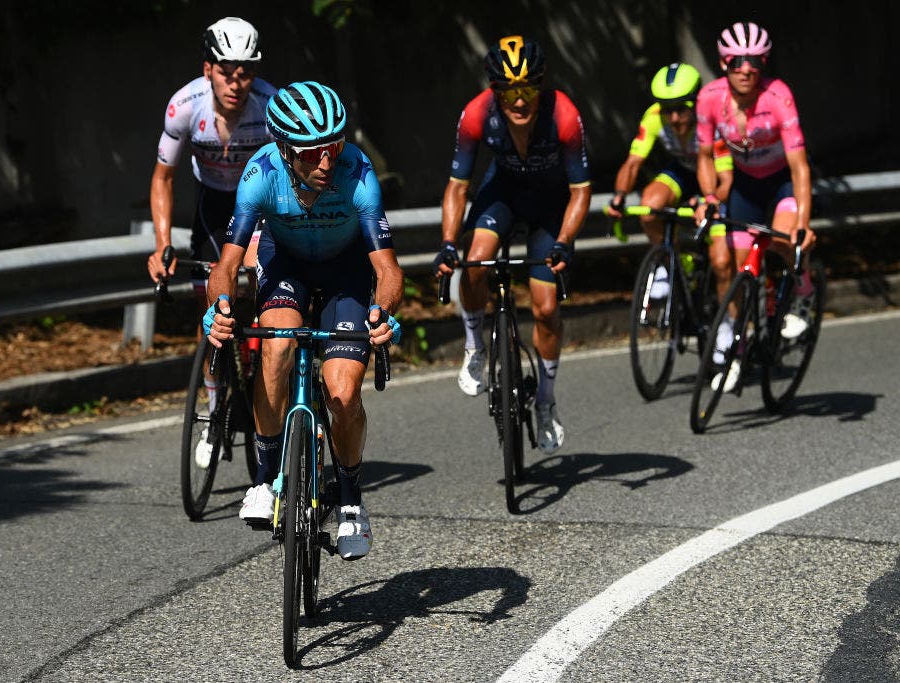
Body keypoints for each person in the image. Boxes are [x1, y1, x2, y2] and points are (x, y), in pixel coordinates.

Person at [203, 81, 404, 561]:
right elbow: (226, 267)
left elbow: (388, 270)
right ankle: (265, 479)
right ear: (285, 150)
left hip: (346, 272)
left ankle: (352, 500)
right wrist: (219, 308)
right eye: (313, 153)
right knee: (276, 348)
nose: (327, 161)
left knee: (342, 392)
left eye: (333, 145)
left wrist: (384, 311)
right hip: (286, 265)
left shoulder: (357, 172)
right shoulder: (260, 175)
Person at [434, 35, 591, 455]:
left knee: (545, 308)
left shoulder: (564, 115)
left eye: (527, 90)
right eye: (508, 92)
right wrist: (448, 242)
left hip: (550, 206)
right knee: (475, 260)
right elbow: (457, 185)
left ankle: (545, 400)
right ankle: (474, 345)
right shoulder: (476, 115)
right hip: (502, 194)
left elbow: (581, 191)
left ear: (540, 85)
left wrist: (563, 243)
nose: (519, 102)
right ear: (495, 91)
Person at [145, 17, 275, 466]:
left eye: (245, 72)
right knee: (212, 310)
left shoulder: (270, 107)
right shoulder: (184, 107)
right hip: (213, 206)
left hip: (260, 202)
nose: (236, 82)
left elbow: (292, 181)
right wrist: (163, 243)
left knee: (264, 280)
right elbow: (163, 178)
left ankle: (263, 361)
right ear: (208, 70)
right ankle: (216, 403)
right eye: (226, 71)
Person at [695, 21, 816, 391]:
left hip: (780, 181)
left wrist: (803, 224)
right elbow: (703, 156)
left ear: (763, 65)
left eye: (755, 62)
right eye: (737, 61)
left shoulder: (778, 97)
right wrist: (711, 197)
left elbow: (800, 167)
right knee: (732, 267)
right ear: (723, 63)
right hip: (746, 185)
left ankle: (803, 293)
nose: (746, 68)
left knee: (783, 239)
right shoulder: (709, 98)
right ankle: (738, 344)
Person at [607, 63, 734, 299]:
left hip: (717, 177)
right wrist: (619, 196)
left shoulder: (712, 121)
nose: (674, 118)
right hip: (685, 170)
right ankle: (670, 262)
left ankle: (725, 319)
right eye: (667, 109)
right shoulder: (654, 117)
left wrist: (709, 200)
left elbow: (727, 180)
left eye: (682, 109)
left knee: (721, 261)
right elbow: (633, 162)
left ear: (696, 102)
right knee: (649, 208)